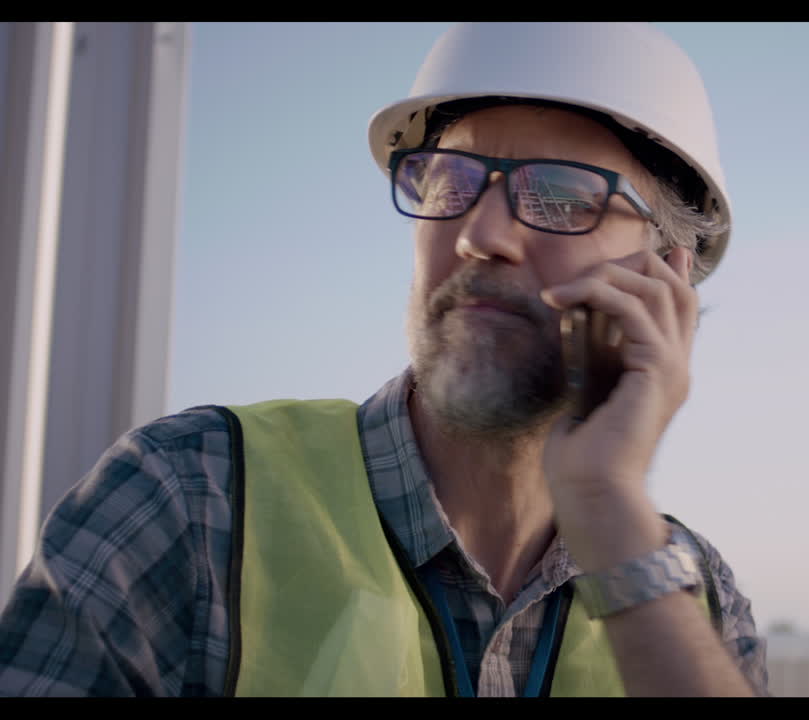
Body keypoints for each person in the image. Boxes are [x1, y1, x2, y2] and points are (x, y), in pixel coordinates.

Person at [0, 22, 766, 697]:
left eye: (562, 198)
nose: (478, 236)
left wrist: (606, 504)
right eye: (450, 182)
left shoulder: (699, 599)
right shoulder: (189, 499)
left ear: (664, 274)